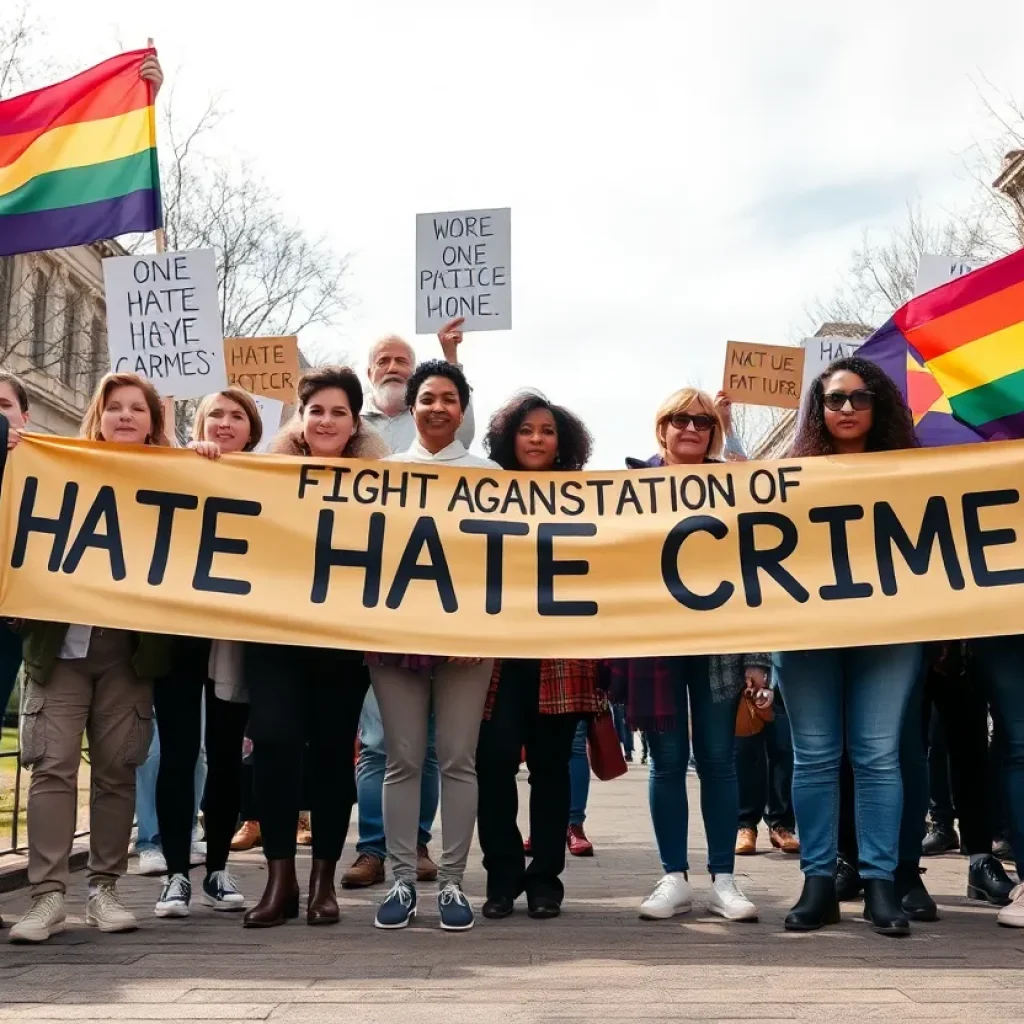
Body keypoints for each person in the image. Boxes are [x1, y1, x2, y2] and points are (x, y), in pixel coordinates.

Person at [9, 373, 172, 944]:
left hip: (129, 653)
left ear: (153, 421)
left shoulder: (180, 479)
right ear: (97, 417)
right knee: (51, 767)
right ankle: (47, 896)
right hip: (61, 649)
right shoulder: (53, 467)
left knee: (115, 771)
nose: (125, 416)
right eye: (113, 407)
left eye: (136, 408)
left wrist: (206, 457)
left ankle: (104, 889)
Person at [777, 356, 923, 936]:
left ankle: (881, 884)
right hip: (807, 630)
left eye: (858, 398)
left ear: (877, 405)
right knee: (814, 757)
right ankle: (818, 884)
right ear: (818, 410)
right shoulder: (789, 474)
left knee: (877, 756)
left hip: (888, 629)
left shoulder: (916, 473)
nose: (845, 409)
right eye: (834, 400)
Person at [242, 367, 388, 929]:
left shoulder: (384, 484)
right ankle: (279, 881)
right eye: (316, 411)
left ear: (354, 424)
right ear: (300, 421)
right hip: (276, 631)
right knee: (275, 740)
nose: (326, 420)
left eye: (339, 412)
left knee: (332, 751)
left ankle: (321, 883)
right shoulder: (265, 474)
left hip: (341, 636)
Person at [614, 386, 765, 923]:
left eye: (703, 421)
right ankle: (673, 876)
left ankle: (724, 878)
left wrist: (757, 653)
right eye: (680, 419)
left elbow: (755, 568)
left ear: (714, 432)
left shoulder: (735, 487)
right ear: (662, 429)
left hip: (719, 641)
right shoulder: (629, 487)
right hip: (656, 643)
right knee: (668, 763)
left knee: (720, 762)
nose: (691, 428)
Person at [368, 360, 499, 932]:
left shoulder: (489, 473)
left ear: (463, 409)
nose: (438, 407)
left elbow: (502, 565)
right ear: (411, 407)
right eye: (427, 398)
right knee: (401, 759)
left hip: (468, 641)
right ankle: (400, 877)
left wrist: (482, 630)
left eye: (449, 398)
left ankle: (451, 882)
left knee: (457, 760)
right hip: (396, 637)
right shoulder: (382, 474)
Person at [475, 393, 603, 920]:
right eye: (526, 429)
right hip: (497, 657)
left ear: (562, 440)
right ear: (509, 437)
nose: (536, 439)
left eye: (547, 430)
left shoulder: (589, 497)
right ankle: (502, 879)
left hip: (560, 656)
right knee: (495, 766)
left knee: (552, 772)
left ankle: (546, 881)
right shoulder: (481, 492)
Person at [149, 387, 265, 918]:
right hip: (177, 632)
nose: (224, 423)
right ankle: (176, 873)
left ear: (252, 430)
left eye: (236, 415)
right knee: (177, 753)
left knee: (224, 755)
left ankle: (216, 868)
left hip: (232, 638)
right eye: (214, 413)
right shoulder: (178, 466)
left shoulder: (271, 481)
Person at [341, 690, 440, 889]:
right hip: (383, 661)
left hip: (438, 662)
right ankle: (372, 850)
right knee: (376, 743)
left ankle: (416, 844)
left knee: (427, 746)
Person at [362, 318, 475, 452]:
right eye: (383, 362)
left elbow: (463, 438)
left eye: (401, 361)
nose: (392, 368)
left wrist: (451, 359)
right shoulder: (351, 417)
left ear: (414, 373)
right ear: (370, 374)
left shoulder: (430, 416)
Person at [735, 677, 798, 856]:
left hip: (782, 670)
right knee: (746, 750)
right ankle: (745, 825)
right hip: (748, 667)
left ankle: (781, 824)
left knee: (783, 748)